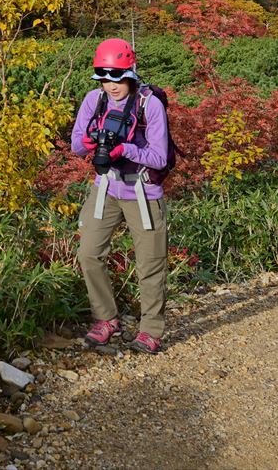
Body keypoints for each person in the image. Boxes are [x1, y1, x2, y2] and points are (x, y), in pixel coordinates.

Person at [70, 37, 170, 354]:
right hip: (106, 187)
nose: (111, 85)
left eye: (117, 77)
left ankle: (150, 329)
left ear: (130, 72)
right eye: (104, 77)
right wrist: (90, 142)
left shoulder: (148, 104)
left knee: (150, 263)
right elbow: (75, 146)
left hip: (142, 190)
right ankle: (106, 319)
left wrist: (124, 148)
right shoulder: (93, 100)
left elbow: (159, 158)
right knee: (88, 253)